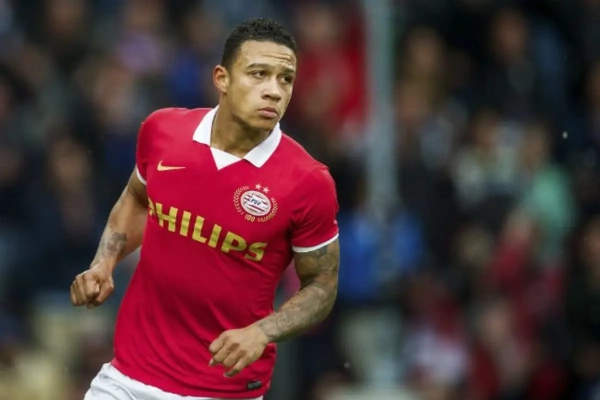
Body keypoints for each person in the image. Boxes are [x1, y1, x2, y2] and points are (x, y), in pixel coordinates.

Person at [70, 18, 340, 400]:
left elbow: (322, 286)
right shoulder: (163, 131)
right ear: (221, 78)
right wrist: (104, 263)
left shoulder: (308, 182)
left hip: (222, 389)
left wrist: (262, 332)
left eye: (286, 79)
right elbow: (137, 198)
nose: (274, 91)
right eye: (259, 74)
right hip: (127, 377)